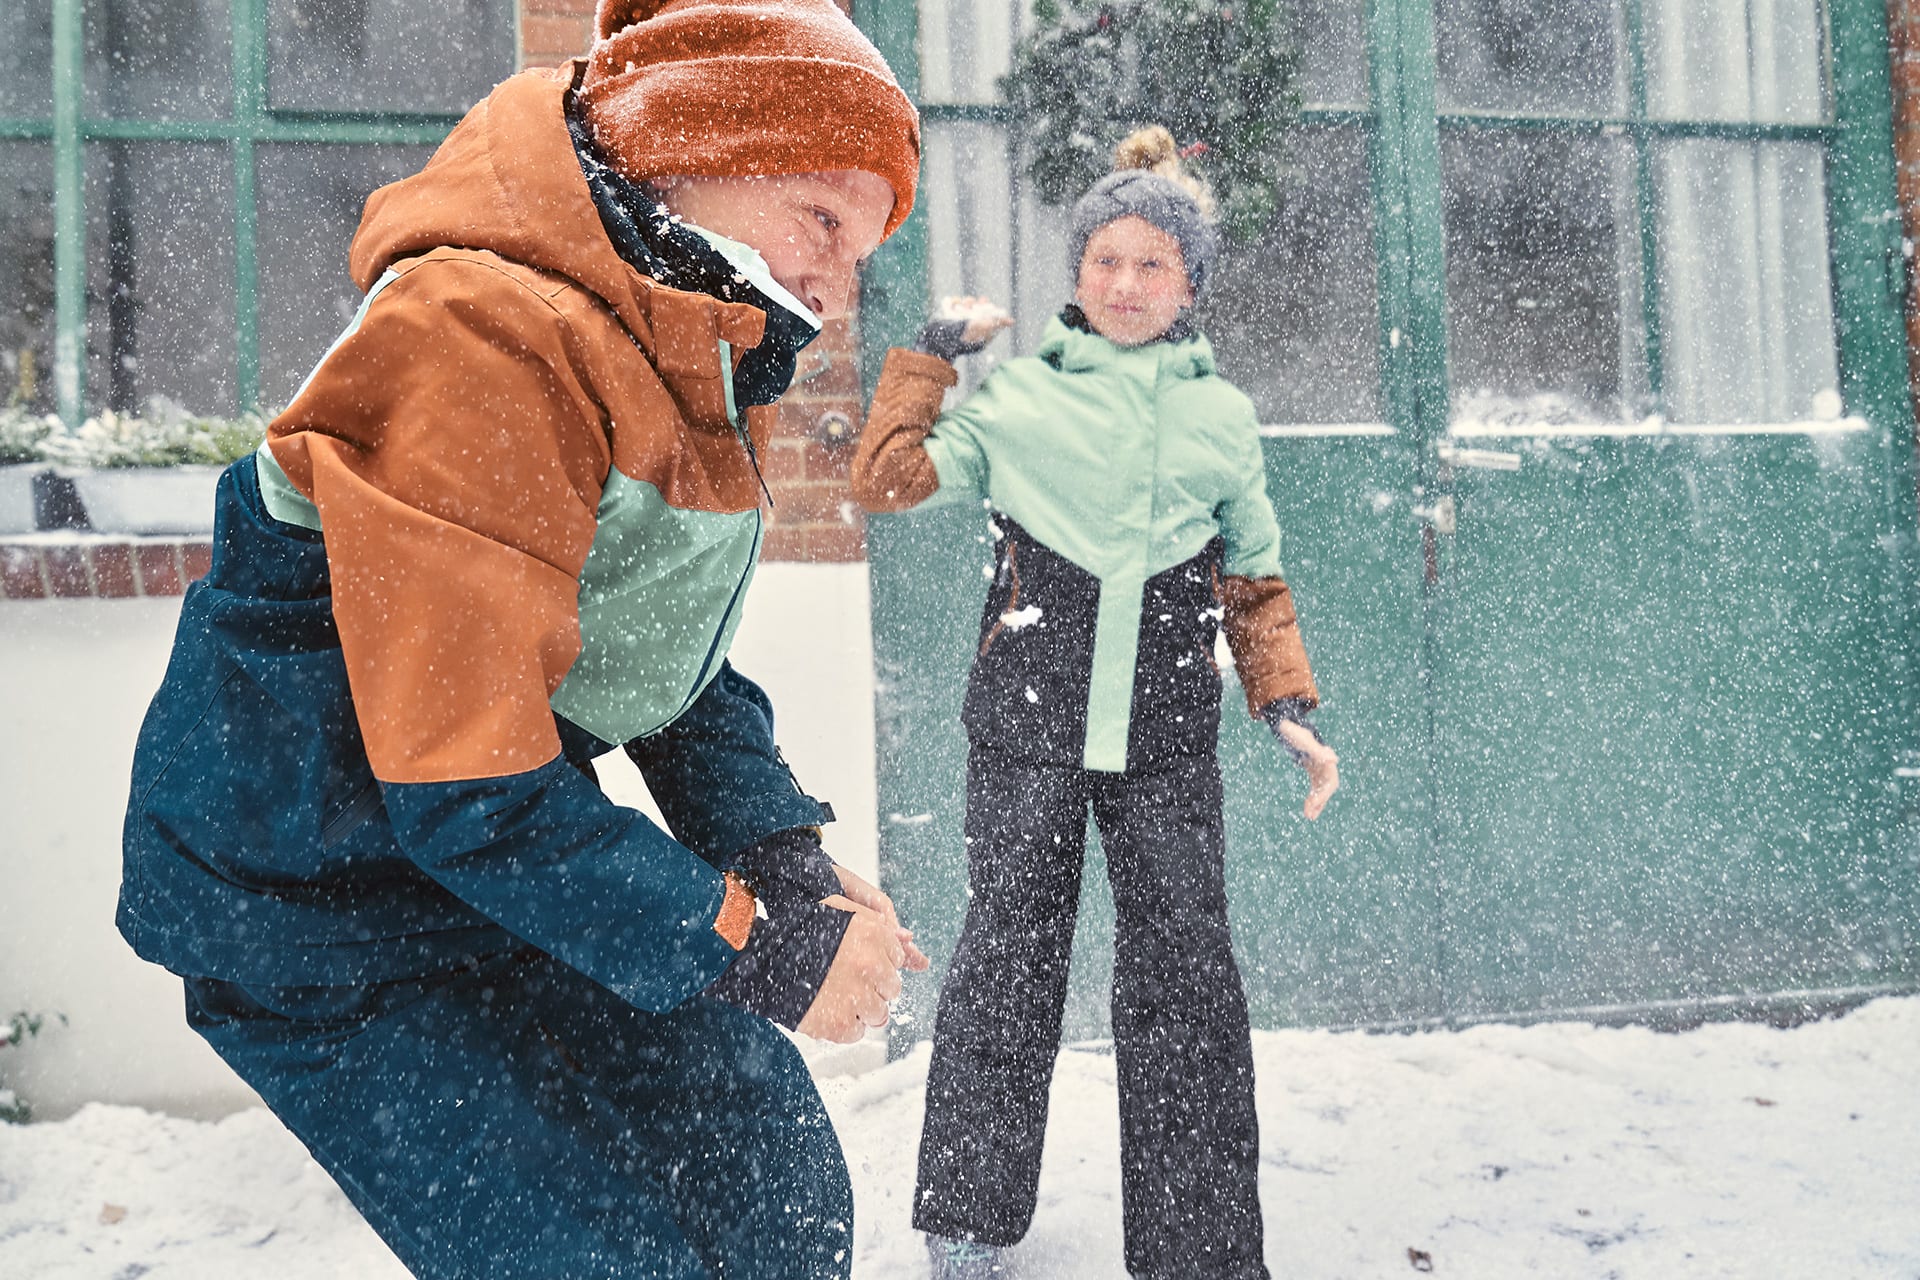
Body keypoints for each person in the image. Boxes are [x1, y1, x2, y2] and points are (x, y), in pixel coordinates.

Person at [117, 2, 929, 1276]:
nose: (837, 281)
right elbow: (465, 782)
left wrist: (774, 845)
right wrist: (758, 944)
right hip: (323, 914)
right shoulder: (476, 335)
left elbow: (663, 656)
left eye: (866, 249)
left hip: (500, 874)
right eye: (821, 217)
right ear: (686, 149)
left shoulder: (681, 345)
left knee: (765, 1185)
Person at [850, 127, 1342, 1280]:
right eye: (1105, 261)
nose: (1125, 284)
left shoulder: (1222, 419)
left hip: (1168, 736)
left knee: (1188, 979)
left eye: (1153, 265)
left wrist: (1287, 707)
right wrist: (928, 357)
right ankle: (967, 1221)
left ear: (1191, 286)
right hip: (1028, 722)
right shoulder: (1020, 400)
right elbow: (883, 477)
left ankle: (1201, 1247)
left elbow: (1254, 577)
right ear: (1076, 275)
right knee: (1008, 960)